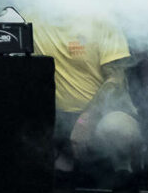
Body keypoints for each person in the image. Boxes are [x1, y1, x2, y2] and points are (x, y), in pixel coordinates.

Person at [37, 15, 137, 178]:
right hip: (56, 117)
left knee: (117, 127)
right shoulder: (30, 18)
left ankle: (122, 169)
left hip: (101, 114)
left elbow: (117, 80)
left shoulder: (102, 21)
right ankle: (61, 170)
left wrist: (86, 119)